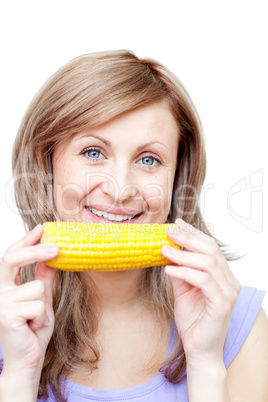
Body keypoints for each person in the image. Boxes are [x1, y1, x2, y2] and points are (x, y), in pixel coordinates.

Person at [0, 50, 267, 402]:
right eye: (93, 152)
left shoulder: (236, 321)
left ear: (177, 177)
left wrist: (205, 364)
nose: (120, 188)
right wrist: (19, 374)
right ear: (46, 162)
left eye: (149, 159)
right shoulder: (8, 318)